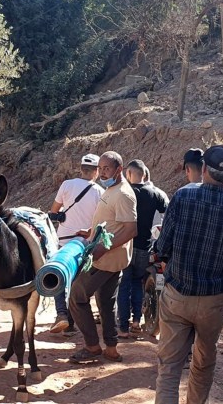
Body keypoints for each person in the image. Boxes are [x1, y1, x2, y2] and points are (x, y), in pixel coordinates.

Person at [154, 145, 223, 404]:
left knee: (169, 368)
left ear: (203, 169)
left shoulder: (182, 197)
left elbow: (163, 245)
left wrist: (160, 256)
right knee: (204, 361)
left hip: (178, 293)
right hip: (215, 300)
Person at [68, 151, 137, 364]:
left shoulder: (123, 194)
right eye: (102, 168)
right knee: (106, 302)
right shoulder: (112, 189)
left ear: (119, 170)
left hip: (105, 259)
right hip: (111, 258)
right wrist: (90, 232)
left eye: (107, 168)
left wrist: (102, 248)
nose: (103, 172)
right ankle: (111, 348)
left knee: (77, 297)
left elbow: (130, 230)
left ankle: (92, 346)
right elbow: (111, 222)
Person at [48, 153, 104, 333]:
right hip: (85, 243)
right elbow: (100, 220)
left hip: (64, 241)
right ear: (96, 172)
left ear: (81, 169)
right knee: (76, 282)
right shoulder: (99, 192)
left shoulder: (67, 185)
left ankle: (62, 315)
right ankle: (71, 321)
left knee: (60, 276)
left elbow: (54, 211)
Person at [117, 159, 168, 338]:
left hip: (125, 246)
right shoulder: (156, 193)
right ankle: (137, 321)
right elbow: (167, 217)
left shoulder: (125, 192)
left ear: (129, 174)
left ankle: (123, 327)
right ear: (144, 174)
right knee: (138, 283)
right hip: (145, 247)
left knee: (124, 285)